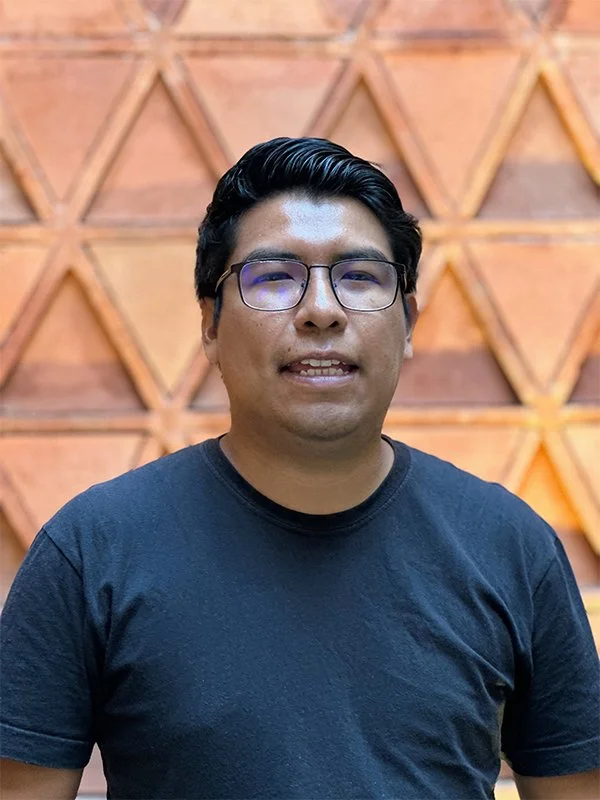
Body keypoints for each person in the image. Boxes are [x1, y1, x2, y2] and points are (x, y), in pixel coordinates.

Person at [1, 137, 598, 800]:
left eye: (361, 278)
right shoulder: (92, 551)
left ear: (407, 325)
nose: (321, 310)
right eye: (274, 278)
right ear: (209, 324)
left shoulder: (510, 547)